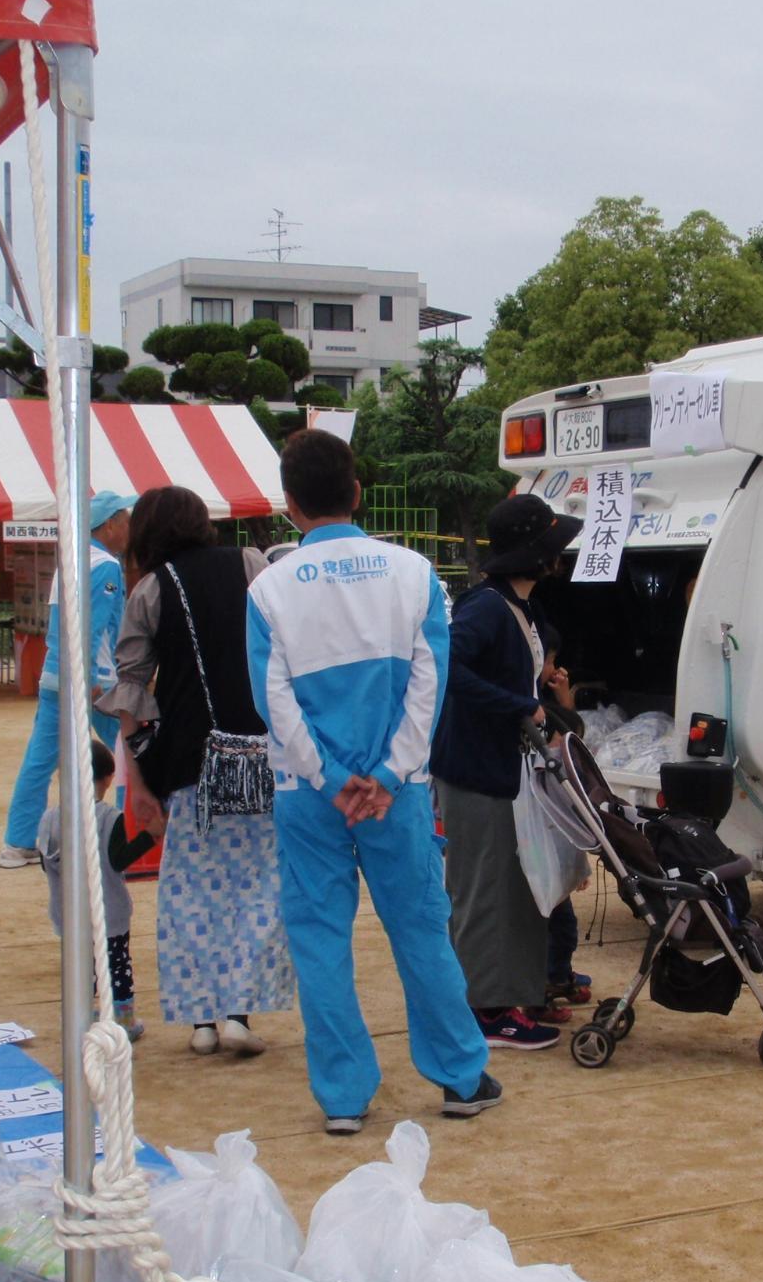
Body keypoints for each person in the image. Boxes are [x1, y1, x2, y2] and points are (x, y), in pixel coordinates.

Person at [246, 429, 500, 1134]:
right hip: (401, 790)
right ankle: (460, 1076)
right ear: (357, 492)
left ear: (289, 506)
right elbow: (431, 681)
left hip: (307, 795)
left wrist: (331, 780)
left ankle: (344, 1099)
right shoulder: (414, 573)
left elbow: (273, 701)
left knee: (320, 939)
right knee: (421, 927)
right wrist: (388, 773)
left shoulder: (267, 590)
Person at [101, 484, 294, 1056]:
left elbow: (131, 690)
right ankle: (239, 1010)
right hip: (262, 753)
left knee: (191, 889)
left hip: (190, 761)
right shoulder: (251, 563)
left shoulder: (151, 589)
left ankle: (202, 1023)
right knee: (260, 885)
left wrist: (137, 781)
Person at [431, 494, 584, 1050]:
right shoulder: (486, 607)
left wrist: (535, 683)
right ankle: (485, 1012)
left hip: (496, 768)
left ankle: (508, 996)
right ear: (535, 556)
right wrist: (518, 703)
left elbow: (530, 646)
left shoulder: (514, 604)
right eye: (552, 548)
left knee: (511, 887)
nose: (559, 557)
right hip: (476, 770)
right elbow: (447, 666)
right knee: (484, 890)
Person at [0, 491, 134, 867]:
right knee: (128, 752)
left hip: (56, 675)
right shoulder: (105, 565)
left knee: (40, 760)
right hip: (95, 681)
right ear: (110, 525)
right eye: (126, 520)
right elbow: (92, 629)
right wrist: (90, 677)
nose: (130, 529)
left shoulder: (72, 560)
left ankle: (18, 841)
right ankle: (130, 833)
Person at [37, 738, 153, 1040]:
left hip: (68, 914)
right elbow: (119, 860)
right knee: (117, 969)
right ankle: (124, 1022)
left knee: (79, 969)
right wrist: (150, 837)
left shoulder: (49, 818)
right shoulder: (108, 817)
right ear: (106, 779)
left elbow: (43, 862)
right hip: (108, 913)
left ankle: (81, 1017)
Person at [538, 623, 592, 1015]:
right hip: (542, 851)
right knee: (558, 925)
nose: (554, 667)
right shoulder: (545, 775)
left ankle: (559, 972)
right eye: (550, 660)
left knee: (560, 924)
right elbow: (566, 741)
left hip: (551, 854)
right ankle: (551, 981)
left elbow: (567, 737)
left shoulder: (545, 714)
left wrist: (562, 699)